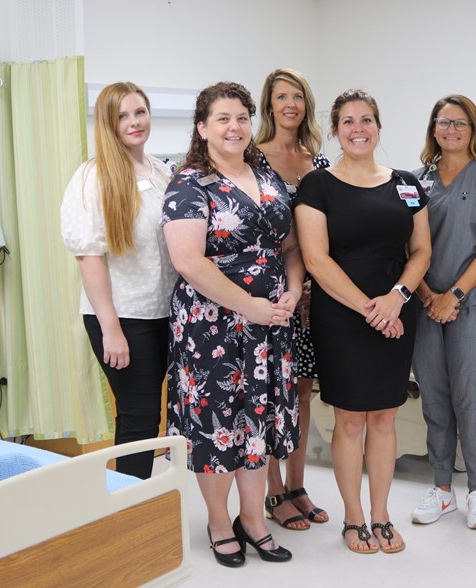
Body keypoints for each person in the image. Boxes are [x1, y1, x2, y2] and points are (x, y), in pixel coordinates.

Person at [163, 82, 302, 567]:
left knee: (257, 422)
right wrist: (251, 305)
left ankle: (254, 520)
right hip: (213, 326)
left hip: (270, 322)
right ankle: (220, 523)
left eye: (241, 117)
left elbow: (289, 246)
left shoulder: (266, 176)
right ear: (202, 128)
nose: (234, 126)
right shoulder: (188, 184)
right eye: (222, 118)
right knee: (219, 424)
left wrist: (293, 290)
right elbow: (188, 262)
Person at [295, 89, 431, 554]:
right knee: (351, 420)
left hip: (397, 311)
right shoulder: (318, 185)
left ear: (378, 126)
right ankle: (354, 519)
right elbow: (315, 258)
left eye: (367, 119)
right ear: (335, 129)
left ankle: (381, 515)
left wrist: (396, 298)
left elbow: (422, 251)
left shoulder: (407, 182)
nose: (359, 128)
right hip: (343, 314)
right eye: (348, 121)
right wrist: (371, 309)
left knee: (386, 417)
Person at [61, 82, 177, 480]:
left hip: (162, 312)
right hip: (121, 316)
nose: (133, 122)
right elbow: (88, 256)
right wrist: (111, 328)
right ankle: (126, 510)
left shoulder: (162, 171)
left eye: (139, 112)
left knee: (149, 418)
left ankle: (133, 502)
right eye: (122, 116)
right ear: (107, 124)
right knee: (140, 418)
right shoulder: (92, 178)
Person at [410, 95, 476, 530]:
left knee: (471, 398)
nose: (451, 130)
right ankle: (441, 489)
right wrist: (430, 295)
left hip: (474, 302)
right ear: (433, 129)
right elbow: (408, 248)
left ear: (474, 128)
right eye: (443, 122)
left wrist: (453, 295)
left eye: (461, 123)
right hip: (424, 302)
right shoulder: (416, 181)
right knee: (434, 398)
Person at [255, 68, 330, 531]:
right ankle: (272, 490)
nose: (290, 104)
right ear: (269, 104)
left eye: (297, 96)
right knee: (267, 394)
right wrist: (288, 285)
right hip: (269, 292)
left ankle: (298, 485)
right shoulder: (251, 157)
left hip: (312, 293)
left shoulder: (316, 161)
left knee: (302, 391)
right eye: (281, 96)